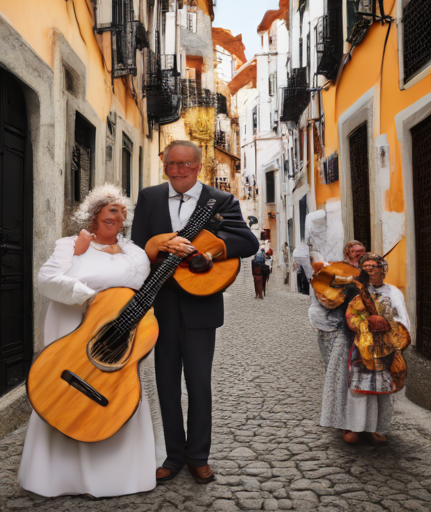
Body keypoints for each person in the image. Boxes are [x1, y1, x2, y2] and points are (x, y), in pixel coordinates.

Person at [18, 184, 164, 497]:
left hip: (115, 342)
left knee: (115, 395)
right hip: (73, 336)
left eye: (123, 211)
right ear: (95, 214)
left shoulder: (135, 254)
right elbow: (47, 280)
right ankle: (62, 478)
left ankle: (117, 478)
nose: (119, 215)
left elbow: (137, 293)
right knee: (62, 397)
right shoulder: (68, 245)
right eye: (112, 209)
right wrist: (90, 298)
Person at [131, 140, 258, 484]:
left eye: (186, 164)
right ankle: (173, 456)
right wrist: (155, 246)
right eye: (172, 163)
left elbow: (249, 242)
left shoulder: (220, 201)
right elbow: (136, 248)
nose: (179, 170)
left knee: (199, 385)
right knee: (166, 385)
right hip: (160, 307)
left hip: (201, 307)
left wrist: (217, 249)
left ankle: (198, 455)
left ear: (198, 166)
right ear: (164, 165)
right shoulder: (150, 198)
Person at [345, 253, 411, 442]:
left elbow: (402, 318)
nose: (369, 269)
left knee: (384, 391)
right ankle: (358, 427)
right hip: (363, 349)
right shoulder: (357, 291)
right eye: (365, 266)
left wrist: (386, 325)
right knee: (360, 389)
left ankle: (380, 428)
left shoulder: (393, 292)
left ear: (383, 269)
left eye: (373, 266)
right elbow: (351, 316)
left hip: (386, 349)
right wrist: (367, 323)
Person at [309, 240, 367, 444]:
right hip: (338, 331)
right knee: (340, 377)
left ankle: (367, 423)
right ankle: (345, 423)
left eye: (362, 251)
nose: (360, 254)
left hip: (364, 332)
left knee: (366, 377)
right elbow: (326, 298)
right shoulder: (334, 271)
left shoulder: (368, 270)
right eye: (356, 252)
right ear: (347, 254)